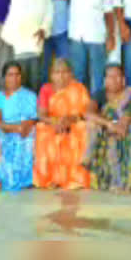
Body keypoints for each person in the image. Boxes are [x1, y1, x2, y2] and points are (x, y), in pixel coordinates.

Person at [51, 0, 115, 96]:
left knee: (98, 76)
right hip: (76, 36)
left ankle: (96, 109)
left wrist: (111, 36)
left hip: (98, 36)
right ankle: (79, 109)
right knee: (78, 75)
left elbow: (108, 12)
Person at [34, 58, 91, 189]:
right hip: (52, 123)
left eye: (65, 72)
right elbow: (42, 115)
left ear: (71, 74)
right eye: (57, 72)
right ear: (51, 75)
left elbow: (84, 113)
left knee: (82, 129)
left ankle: (75, 178)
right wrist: (55, 122)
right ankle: (51, 178)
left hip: (72, 122)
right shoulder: (46, 89)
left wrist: (68, 120)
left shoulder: (79, 88)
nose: (61, 76)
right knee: (41, 129)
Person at [82, 65, 131, 193]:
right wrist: (108, 124)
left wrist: (121, 125)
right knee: (92, 125)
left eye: (118, 76)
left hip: (125, 129)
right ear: (105, 80)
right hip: (106, 128)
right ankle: (92, 163)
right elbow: (88, 113)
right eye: (110, 76)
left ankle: (128, 176)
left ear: (123, 79)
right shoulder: (100, 94)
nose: (114, 79)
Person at [0, 62, 37, 191]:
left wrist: (19, 128)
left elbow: (30, 122)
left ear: (21, 77)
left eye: (17, 75)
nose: (14, 78)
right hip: (7, 130)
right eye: (10, 75)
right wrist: (13, 128)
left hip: (24, 130)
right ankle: (4, 176)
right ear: (4, 78)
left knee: (32, 134)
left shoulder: (30, 96)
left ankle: (24, 178)